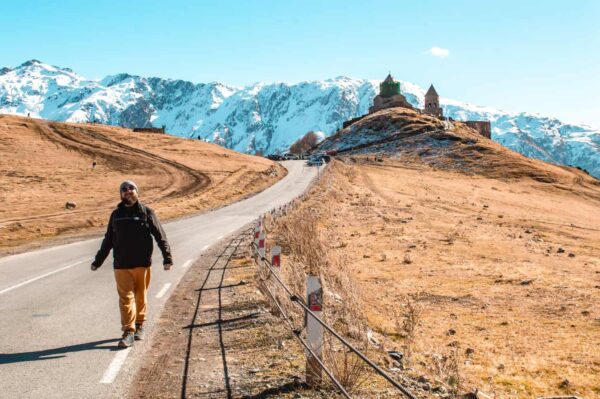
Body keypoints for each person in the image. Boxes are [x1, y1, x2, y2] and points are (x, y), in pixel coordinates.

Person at [91, 180, 173, 348]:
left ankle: (140, 325)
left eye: (131, 188)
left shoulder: (147, 212)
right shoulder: (116, 215)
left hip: (142, 263)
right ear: (120, 194)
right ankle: (128, 331)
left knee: (140, 295)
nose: (128, 191)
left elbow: (160, 235)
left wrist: (167, 258)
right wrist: (98, 261)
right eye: (124, 189)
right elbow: (108, 240)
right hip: (121, 264)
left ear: (137, 192)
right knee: (126, 298)